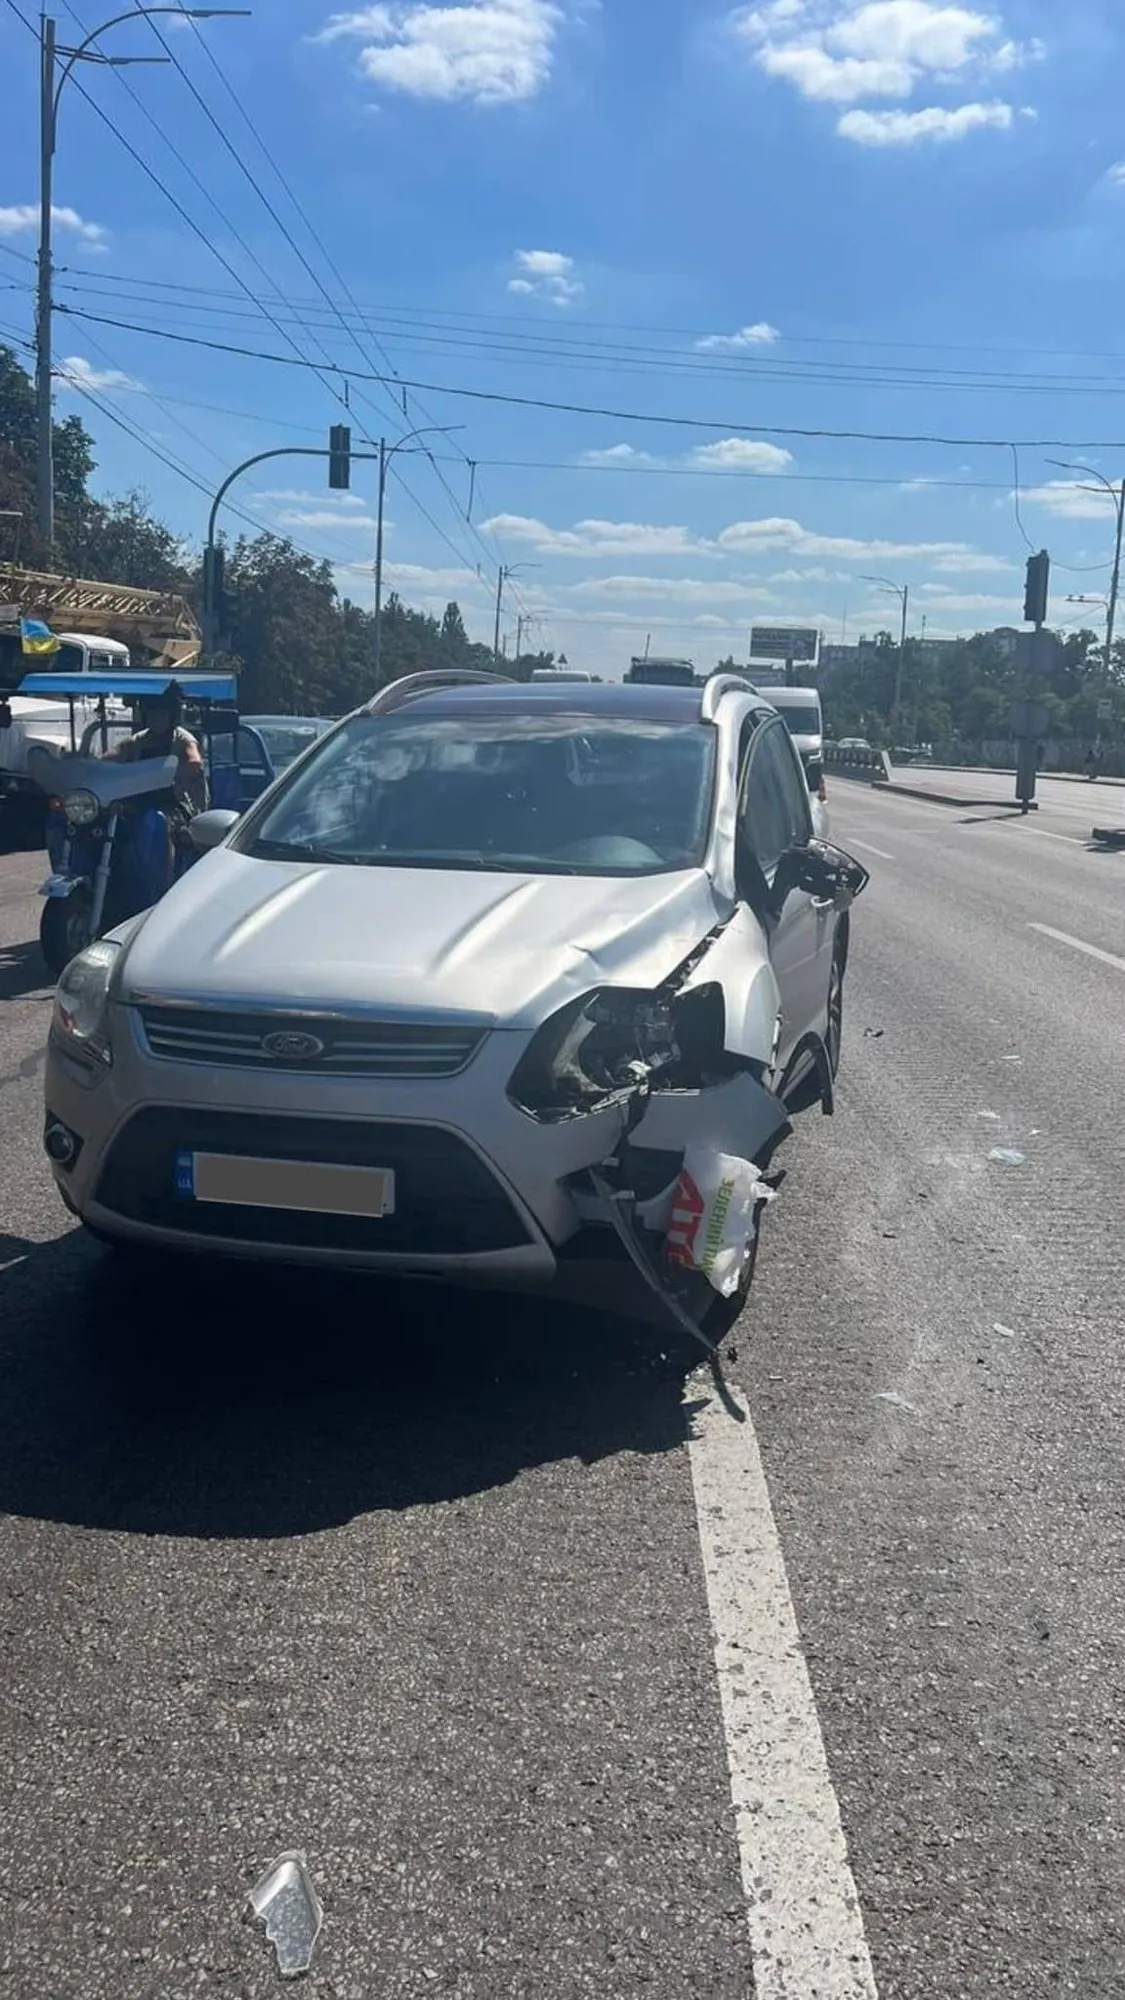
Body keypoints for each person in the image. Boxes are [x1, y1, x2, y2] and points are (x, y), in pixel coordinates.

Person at [103, 683, 208, 853]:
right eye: (151, 712)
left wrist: (172, 774)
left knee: (158, 823)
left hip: (175, 806)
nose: (155, 718)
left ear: (172, 714)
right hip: (139, 804)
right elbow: (113, 755)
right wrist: (91, 764)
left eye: (161, 713)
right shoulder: (138, 740)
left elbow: (194, 762)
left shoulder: (182, 739)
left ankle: (163, 870)